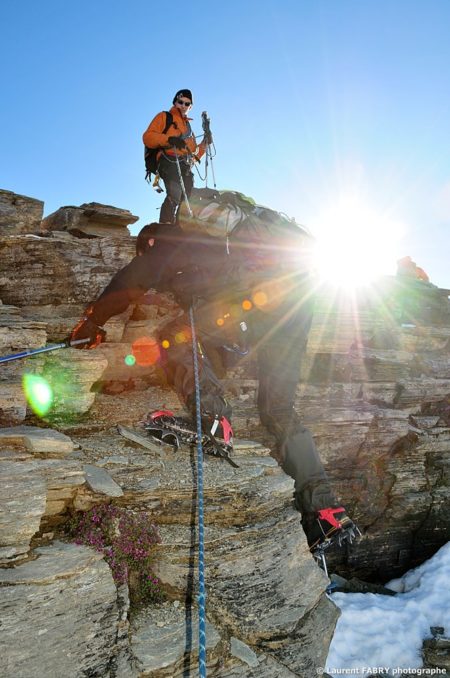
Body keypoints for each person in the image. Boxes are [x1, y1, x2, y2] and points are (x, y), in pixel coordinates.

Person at [69, 222, 358, 554]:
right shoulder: (219, 251)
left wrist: (93, 321)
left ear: (151, 240)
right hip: (294, 312)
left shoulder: (172, 242)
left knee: (171, 337)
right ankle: (326, 512)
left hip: (255, 302)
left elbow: (135, 276)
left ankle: (214, 419)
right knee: (278, 410)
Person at [143, 89, 209, 224]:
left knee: (187, 199)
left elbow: (194, 156)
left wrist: (205, 144)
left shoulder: (189, 130)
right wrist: (169, 140)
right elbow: (147, 137)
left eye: (187, 104)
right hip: (168, 160)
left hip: (184, 165)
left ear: (190, 107)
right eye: (181, 102)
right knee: (175, 193)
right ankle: (165, 226)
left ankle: (180, 228)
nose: (183, 106)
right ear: (175, 102)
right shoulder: (164, 117)